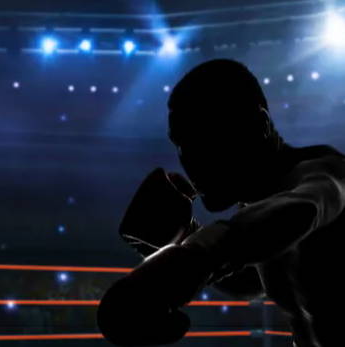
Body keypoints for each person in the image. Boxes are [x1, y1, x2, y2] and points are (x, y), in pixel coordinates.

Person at [97, 59, 345, 347]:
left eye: (206, 138)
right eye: (181, 144)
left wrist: (177, 267)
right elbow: (250, 282)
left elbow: (303, 208)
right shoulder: (258, 216)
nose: (190, 158)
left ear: (260, 125)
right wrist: (183, 239)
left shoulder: (325, 174)